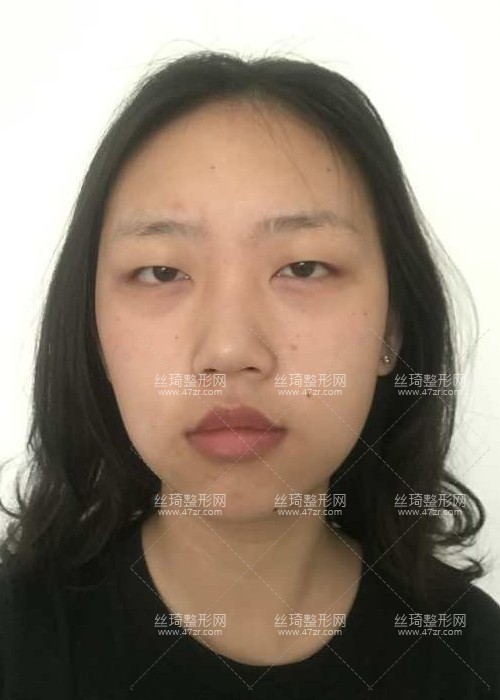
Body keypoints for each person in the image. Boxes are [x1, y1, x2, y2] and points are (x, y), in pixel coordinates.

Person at [0, 50, 499, 699]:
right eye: (161, 271)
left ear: (391, 331)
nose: (231, 349)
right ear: (92, 332)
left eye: (304, 267)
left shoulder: (474, 659)